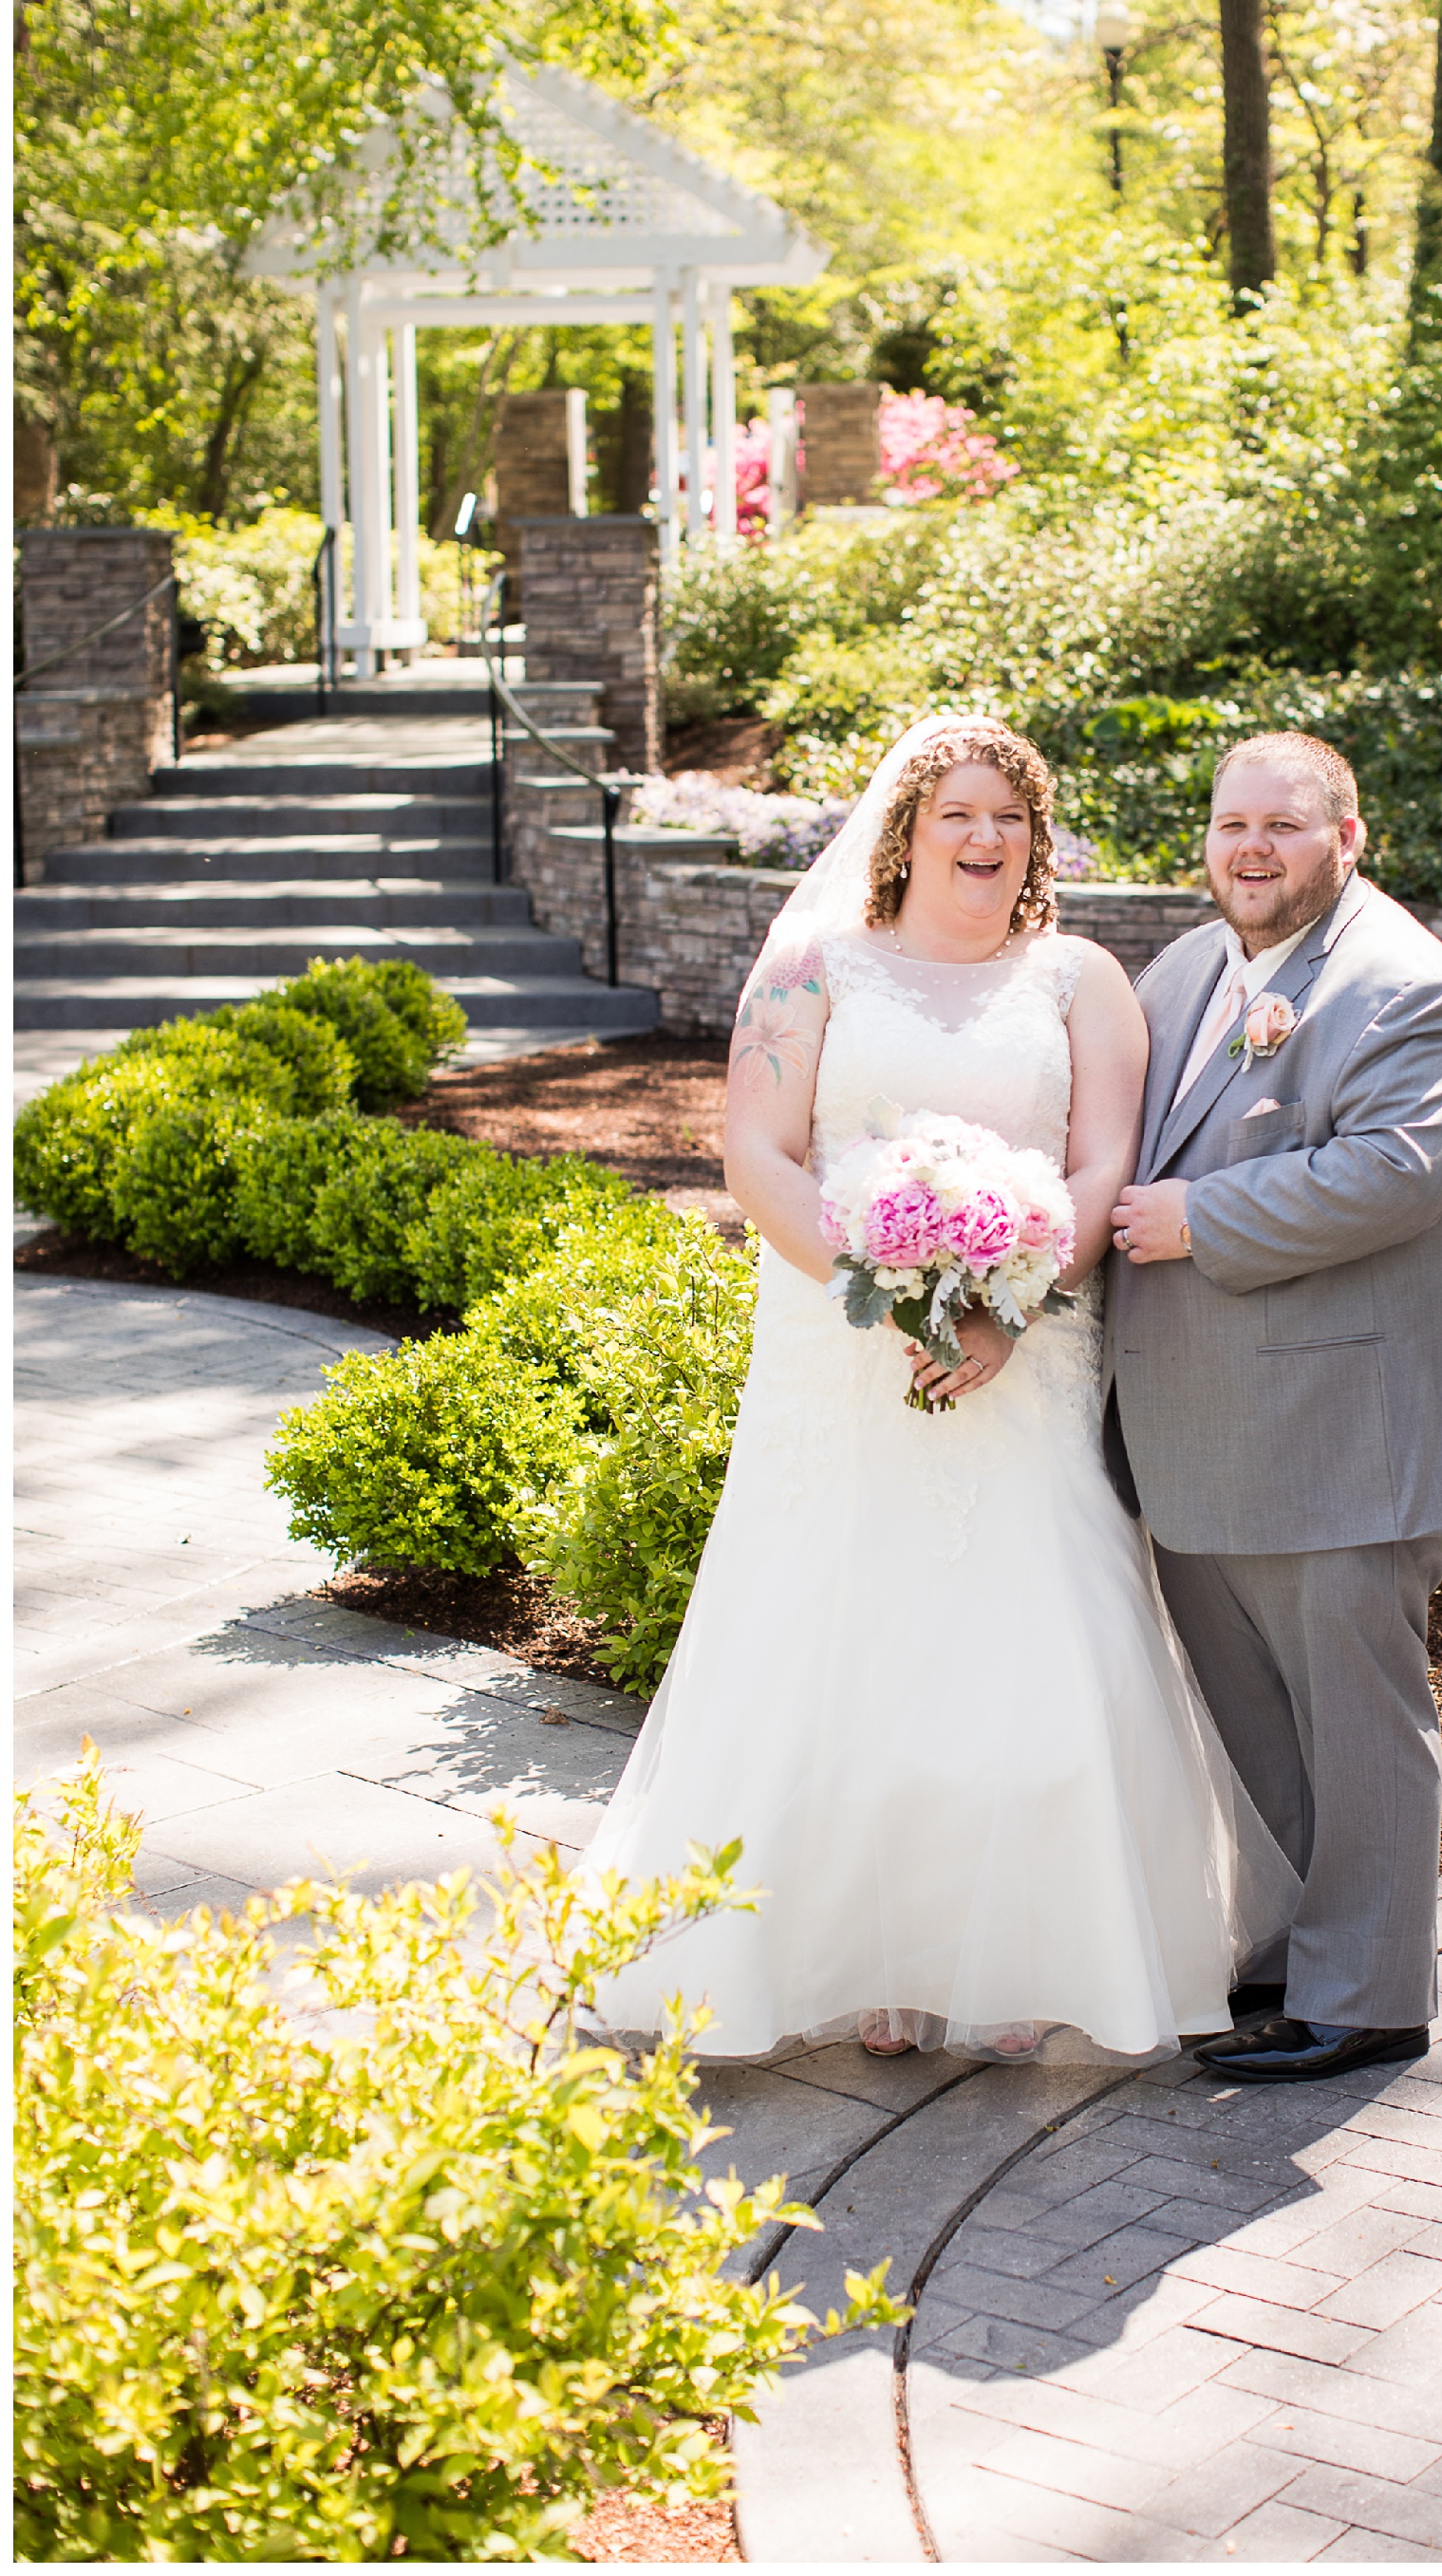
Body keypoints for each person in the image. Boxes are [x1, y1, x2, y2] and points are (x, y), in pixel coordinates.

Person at [583, 717, 1296, 2064]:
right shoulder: (813, 969)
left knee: (1037, 1640)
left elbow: (1099, 1170)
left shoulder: (1080, 978)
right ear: (904, 829)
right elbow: (758, 1151)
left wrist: (1003, 1307)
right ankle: (873, 1964)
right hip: (840, 1348)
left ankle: (1031, 1949)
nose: (984, 840)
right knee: (834, 1641)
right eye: (958, 815)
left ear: (1035, 841)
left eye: (1010, 820)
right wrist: (897, 1288)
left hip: (1025, 1354)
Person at [1107, 730, 1442, 2085]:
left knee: (1355, 1723)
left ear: (1350, 837)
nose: (1251, 849)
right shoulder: (1183, 971)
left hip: (1344, 1431)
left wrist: (1195, 1218)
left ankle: (1370, 1993)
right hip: (1202, 1434)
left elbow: (1394, 1172)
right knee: (1258, 1729)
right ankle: (1285, 1960)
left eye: (1284, 826)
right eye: (1232, 824)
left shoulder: (1407, 989)